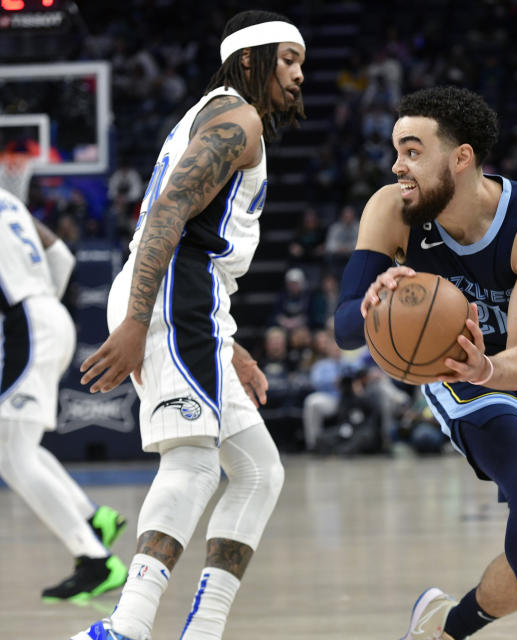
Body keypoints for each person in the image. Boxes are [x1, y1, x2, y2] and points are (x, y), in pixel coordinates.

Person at [71, 10, 305, 640]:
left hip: (195, 303)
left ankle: (202, 630)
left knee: (259, 471)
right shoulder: (238, 118)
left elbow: (200, 243)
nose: (299, 75)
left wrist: (231, 348)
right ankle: (126, 626)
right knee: (196, 464)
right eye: (288, 59)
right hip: (172, 293)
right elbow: (172, 211)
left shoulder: (221, 114)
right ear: (250, 59)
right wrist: (135, 321)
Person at [334, 86, 517, 640]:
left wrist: (489, 369)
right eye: (396, 151)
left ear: (461, 156)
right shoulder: (391, 209)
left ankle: (445, 630)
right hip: (450, 367)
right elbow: (345, 329)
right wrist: (373, 302)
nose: (398, 165)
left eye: (412, 150)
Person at [0, 186, 128, 601]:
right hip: (44, 317)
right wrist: (45, 308)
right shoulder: (9, 201)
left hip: (28, 324)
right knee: (18, 445)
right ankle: (93, 519)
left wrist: (32, 318)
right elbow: (62, 256)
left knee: (10, 452)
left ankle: (96, 560)